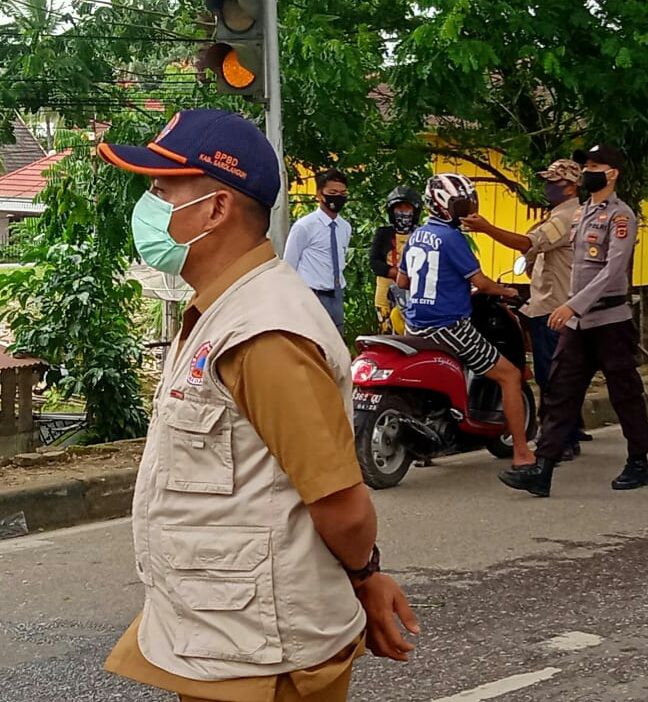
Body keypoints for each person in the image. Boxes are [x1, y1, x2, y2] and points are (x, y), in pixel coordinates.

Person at [97, 109, 417, 702]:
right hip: (228, 639)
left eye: (163, 190)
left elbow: (342, 504)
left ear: (216, 209)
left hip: (265, 653)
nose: (149, 205)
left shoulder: (264, 334)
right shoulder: (224, 311)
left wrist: (366, 577)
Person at [498, 144, 648, 497]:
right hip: (577, 324)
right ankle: (544, 468)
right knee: (560, 391)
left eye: (594, 165)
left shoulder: (621, 216)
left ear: (612, 173)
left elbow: (613, 270)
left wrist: (573, 305)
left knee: (625, 392)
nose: (587, 171)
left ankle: (638, 461)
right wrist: (571, 308)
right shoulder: (581, 214)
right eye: (586, 165)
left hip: (609, 320)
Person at [396, 173, 537, 470]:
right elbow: (482, 283)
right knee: (510, 375)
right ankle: (523, 452)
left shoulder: (418, 235)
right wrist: (506, 290)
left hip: (414, 326)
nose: (466, 210)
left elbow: (403, 281)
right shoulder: (453, 239)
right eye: (462, 204)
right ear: (444, 205)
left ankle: (430, 444)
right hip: (448, 327)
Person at [461, 158, 590, 460]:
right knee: (562, 374)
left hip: (553, 306)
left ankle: (558, 441)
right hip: (554, 303)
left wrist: (486, 228)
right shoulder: (567, 214)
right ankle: (569, 431)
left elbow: (525, 243)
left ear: (571, 186)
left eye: (553, 182)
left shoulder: (565, 217)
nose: (547, 187)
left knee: (551, 376)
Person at [283, 168, 351, 335]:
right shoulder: (305, 227)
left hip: (336, 295)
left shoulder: (345, 227)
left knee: (336, 343)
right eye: (333, 192)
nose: (338, 197)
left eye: (343, 193)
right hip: (311, 295)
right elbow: (289, 265)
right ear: (320, 194)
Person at [370, 186, 422, 334]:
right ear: (392, 212)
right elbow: (374, 262)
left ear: (415, 211)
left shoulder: (421, 234)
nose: (403, 213)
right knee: (386, 334)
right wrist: (394, 272)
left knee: (408, 332)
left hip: (412, 292)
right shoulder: (383, 233)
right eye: (399, 209)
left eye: (407, 208)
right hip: (384, 293)